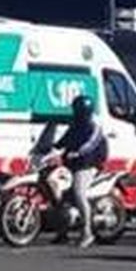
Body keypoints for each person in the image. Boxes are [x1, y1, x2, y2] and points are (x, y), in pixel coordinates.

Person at [53, 95, 108, 248]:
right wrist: (51, 148)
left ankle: (87, 233)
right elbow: (63, 141)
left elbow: (90, 145)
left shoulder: (94, 128)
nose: (77, 113)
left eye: (80, 111)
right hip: (71, 165)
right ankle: (62, 232)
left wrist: (77, 153)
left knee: (78, 193)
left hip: (87, 166)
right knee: (60, 196)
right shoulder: (74, 126)